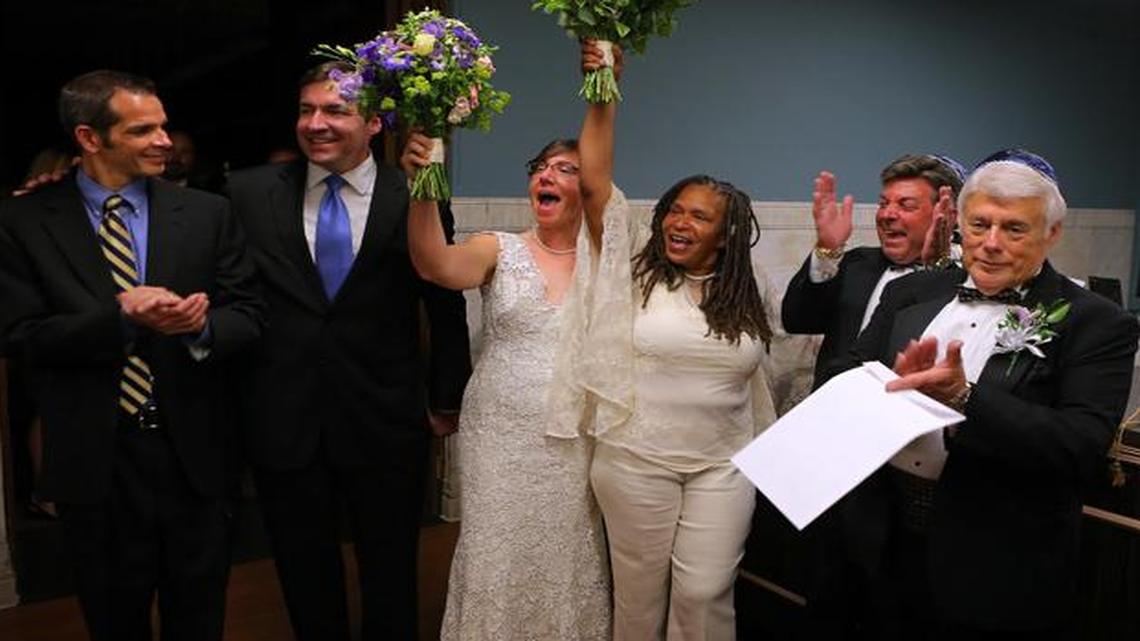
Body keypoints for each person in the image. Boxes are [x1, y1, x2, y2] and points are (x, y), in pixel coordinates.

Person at [0, 70, 264, 641]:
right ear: (90, 138)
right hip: (95, 461)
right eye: (144, 130)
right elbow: (18, 334)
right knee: (113, 621)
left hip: (193, 455)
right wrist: (119, 319)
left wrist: (199, 329)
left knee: (199, 619)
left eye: (164, 126)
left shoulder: (206, 214)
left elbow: (247, 314)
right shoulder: (23, 220)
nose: (165, 141)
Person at [839, 149, 1138, 639]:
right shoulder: (911, 293)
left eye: (1014, 229)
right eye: (979, 225)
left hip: (998, 560)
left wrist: (965, 397)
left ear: (1052, 233)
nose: (991, 244)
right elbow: (848, 372)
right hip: (881, 538)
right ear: (960, 222)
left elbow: (1080, 444)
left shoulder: (1096, 322)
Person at [224, 61, 471, 641]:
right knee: (302, 568)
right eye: (307, 110)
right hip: (284, 415)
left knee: (390, 568)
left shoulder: (414, 192)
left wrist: (445, 397)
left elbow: (443, 304)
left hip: (385, 415)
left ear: (376, 123)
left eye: (335, 110)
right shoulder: (248, 193)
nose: (316, 124)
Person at [397, 41, 618, 641]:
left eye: (565, 169)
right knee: (494, 551)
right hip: (500, 432)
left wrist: (603, 84)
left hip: (575, 435)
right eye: (540, 168)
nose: (547, 176)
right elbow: (434, 266)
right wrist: (423, 188)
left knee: (568, 553)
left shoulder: (609, 260)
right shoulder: (499, 249)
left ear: (589, 188)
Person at [567, 43, 777, 640]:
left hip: (723, 464)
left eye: (699, 217)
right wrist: (604, 89)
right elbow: (594, 186)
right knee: (638, 598)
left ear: (726, 233)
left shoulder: (748, 285)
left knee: (705, 590)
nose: (680, 224)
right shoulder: (633, 267)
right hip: (636, 461)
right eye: (675, 211)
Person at [783, 154, 965, 389]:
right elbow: (797, 321)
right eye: (883, 203)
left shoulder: (964, 281)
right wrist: (826, 251)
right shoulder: (856, 263)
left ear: (948, 213)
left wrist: (939, 266)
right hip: (835, 409)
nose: (887, 215)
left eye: (905, 205)